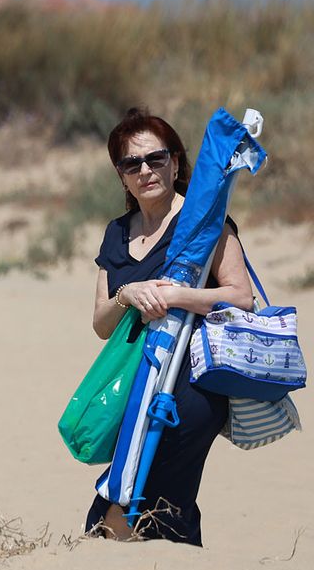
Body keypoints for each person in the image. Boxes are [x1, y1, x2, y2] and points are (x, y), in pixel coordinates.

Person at [86, 107, 252, 546]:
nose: (145, 171)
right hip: (137, 379)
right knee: (129, 495)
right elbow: (102, 324)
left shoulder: (205, 224)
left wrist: (176, 297)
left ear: (175, 163)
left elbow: (242, 297)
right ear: (121, 176)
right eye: (131, 164)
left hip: (192, 381)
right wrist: (128, 294)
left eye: (155, 159)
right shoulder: (116, 234)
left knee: (158, 492)